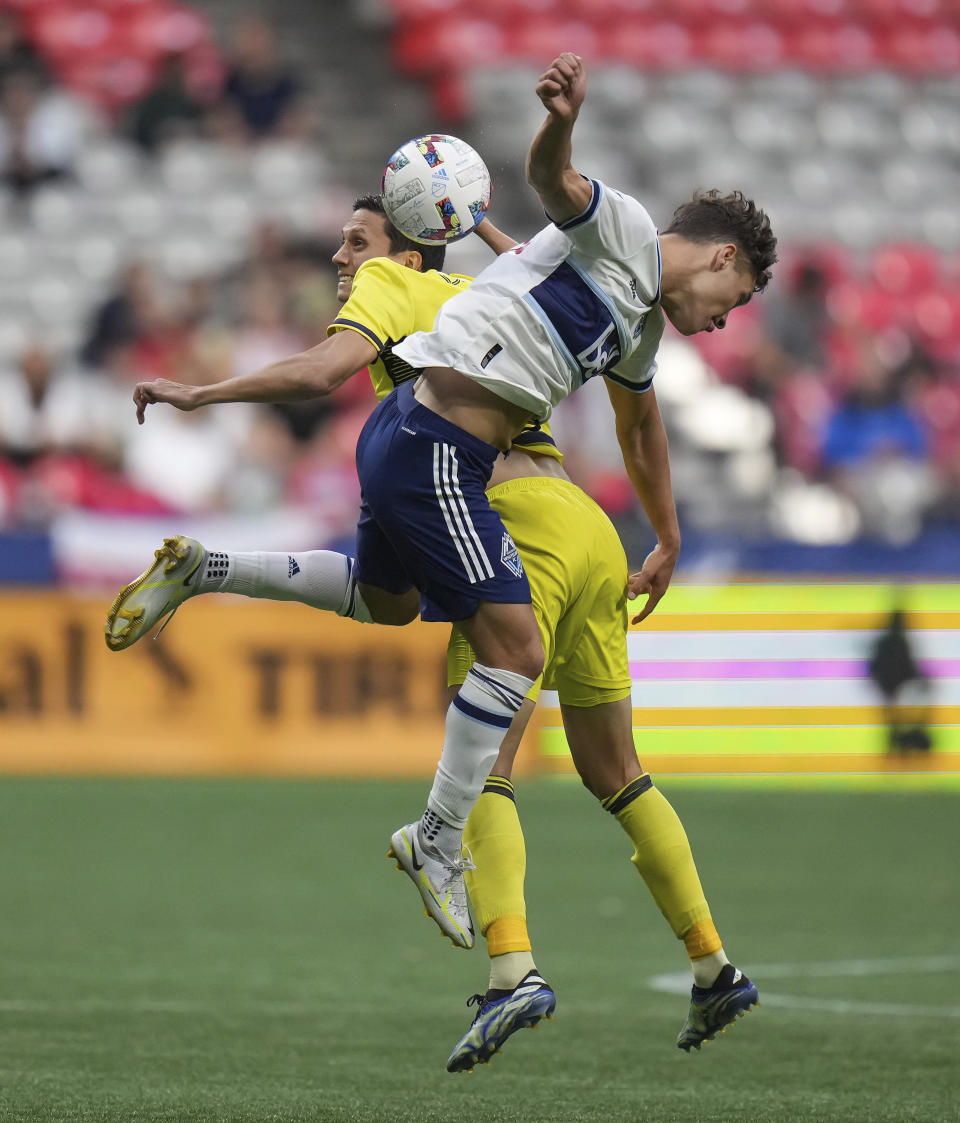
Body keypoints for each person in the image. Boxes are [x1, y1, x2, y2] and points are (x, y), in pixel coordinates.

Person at [108, 51, 775, 1062]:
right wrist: (558, 124)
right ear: (723, 258)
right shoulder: (627, 228)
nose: (729, 321)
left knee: (387, 601)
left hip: (427, 442)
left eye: (357, 238)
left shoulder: (630, 320)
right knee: (512, 657)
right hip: (446, 447)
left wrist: (670, 532)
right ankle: (437, 841)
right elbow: (559, 185)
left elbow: (635, 422)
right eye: (740, 297)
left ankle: (212, 571)